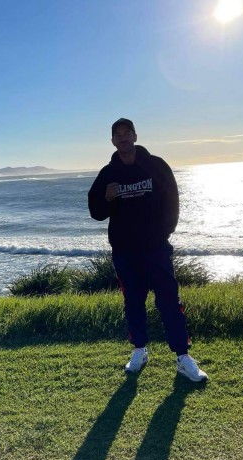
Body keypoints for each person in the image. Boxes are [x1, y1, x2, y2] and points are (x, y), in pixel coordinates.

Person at [88, 118, 208, 382]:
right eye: (117, 135)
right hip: (125, 252)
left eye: (127, 133)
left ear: (135, 136)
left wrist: (164, 232)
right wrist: (107, 199)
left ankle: (183, 357)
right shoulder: (108, 173)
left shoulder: (156, 165)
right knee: (133, 302)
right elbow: (95, 211)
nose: (123, 138)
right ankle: (139, 350)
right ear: (112, 141)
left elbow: (172, 199)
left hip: (155, 249)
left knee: (169, 302)